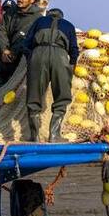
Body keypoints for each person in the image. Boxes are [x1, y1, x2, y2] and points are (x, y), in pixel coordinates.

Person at [23, 8, 79, 142]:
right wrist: (70, 68)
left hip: (38, 54)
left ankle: (34, 136)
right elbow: (74, 50)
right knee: (62, 96)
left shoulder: (39, 21)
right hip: (60, 56)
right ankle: (54, 135)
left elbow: (25, 44)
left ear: (48, 15)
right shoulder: (68, 25)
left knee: (34, 96)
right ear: (62, 16)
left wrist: (31, 57)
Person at [0, 0, 43, 80]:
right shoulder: (10, 12)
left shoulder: (38, 19)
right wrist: (4, 50)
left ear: (32, 0)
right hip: (6, 54)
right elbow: (1, 32)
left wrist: (15, 52)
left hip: (22, 58)